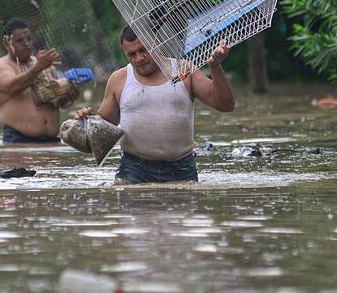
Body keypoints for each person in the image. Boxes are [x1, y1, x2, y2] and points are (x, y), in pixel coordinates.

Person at [76, 26, 235, 184]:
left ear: (157, 44)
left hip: (181, 167)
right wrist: (87, 122)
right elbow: (105, 123)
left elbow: (225, 105)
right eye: (132, 54)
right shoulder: (119, 79)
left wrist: (215, 67)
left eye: (144, 50)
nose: (139, 58)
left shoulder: (183, 70)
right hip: (134, 168)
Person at [0, 19, 78, 144]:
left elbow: (58, 102)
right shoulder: (0, 66)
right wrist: (38, 68)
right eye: (20, 40)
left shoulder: (42, 63)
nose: (27, 44)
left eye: (29, 39)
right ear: (6, 42)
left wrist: (69, 98)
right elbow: (13, 86)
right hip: (18, 141)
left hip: (53, 140)